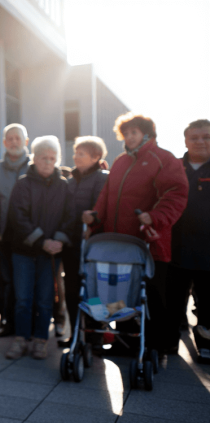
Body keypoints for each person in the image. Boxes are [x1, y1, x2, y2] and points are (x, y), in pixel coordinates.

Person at [82, 113, 188, 356]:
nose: (129, 137)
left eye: (134, 132)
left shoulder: (163, 159)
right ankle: (125, 341)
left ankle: (155, 345)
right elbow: (105, 196)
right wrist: (95, 218)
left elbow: (176, 193)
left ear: (147, 134)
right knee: (122, 293)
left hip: (148, 242)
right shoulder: (120, 161)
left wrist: (156, 216)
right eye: (126, 133)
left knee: (151, 295)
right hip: (117, 244)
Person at [4, 136, 73, 360]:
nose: (48, 162)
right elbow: (18, 217)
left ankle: (41, 339)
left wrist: (58, 241)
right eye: (44, 157)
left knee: (45, 299)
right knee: (23, 298)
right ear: (35, 157)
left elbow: (69, 217)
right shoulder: (23, 183)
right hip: (24, 252)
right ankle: (21, 338)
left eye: (52, 158)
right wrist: (42, 240)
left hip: (50, 255)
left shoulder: (63, 185)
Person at [58, 136, 109, 347]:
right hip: (71, 244)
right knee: (71, 289)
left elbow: (103, 207)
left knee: (94, 290)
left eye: (81, 153)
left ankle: (96, 333)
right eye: (75, 153)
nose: (76, 157)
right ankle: (76, 333)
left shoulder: (102, 178)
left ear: (96, 156)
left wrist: (94, 219)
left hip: (93, 244)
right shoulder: (69, 180)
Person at [168, 119, 210, 351]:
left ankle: (205, 344)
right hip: (176, 248)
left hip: (207, 252)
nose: (200, 142)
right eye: (194, 138)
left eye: (206, 137)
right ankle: (169, 343)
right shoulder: (173, 167)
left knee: (207, 304)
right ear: (185, 141)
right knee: (172, 301)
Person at [0, 124, 31, 337]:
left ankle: (31, 324)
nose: (14, 142)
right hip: (3, 237)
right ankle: (7, 321)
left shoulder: (35, 167)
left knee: (28, 284)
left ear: (26, 141)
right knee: (6, 281)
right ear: (4, 143)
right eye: (10, 139)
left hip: (30, 238)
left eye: (18, 138)